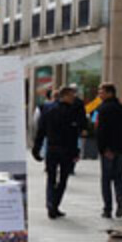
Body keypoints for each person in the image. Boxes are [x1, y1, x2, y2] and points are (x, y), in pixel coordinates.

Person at [33, 83, 88, 219]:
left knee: (52, 178)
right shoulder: (71, 111)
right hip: (65, 149)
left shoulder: (48, 108)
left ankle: (52, 203)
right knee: (62, 178)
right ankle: (54, 204)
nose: (73, 98)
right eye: (71, 96)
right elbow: (74, 133)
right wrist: (76, 151)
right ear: (64, 96)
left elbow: (41, 131)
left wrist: (37, 148)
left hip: (53, 148)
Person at [93, 84, 122, 219]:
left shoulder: (103, 109)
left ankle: (108, 208)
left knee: (106, 179)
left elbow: (101, 132)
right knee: (118, 178)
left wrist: (102, 149)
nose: (99, 94)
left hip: (109, 150)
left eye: (102, 92)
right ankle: (120, 199)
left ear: (110, 93)